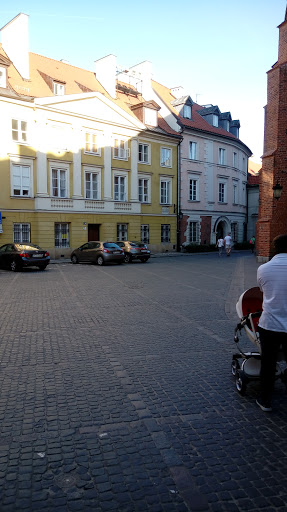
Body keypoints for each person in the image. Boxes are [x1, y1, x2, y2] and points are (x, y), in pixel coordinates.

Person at [256, 234, 287, 412]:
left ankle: (265, 400)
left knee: (268, 364)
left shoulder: (264, 269)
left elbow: (263, 291)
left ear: (275, 248)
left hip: (270, 324)